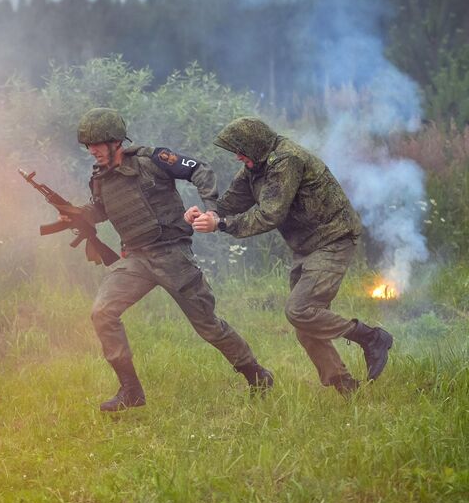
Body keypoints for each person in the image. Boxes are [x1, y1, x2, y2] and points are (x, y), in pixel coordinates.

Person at [72, 107, 273, 412]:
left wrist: (211, 210)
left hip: (172, 255)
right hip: (137, 259)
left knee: (208, 326)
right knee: (102, 312)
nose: (92, 151)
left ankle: (256, 375)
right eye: (88, 146)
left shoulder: (152, 159)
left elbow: (200, 170)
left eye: (97, 144)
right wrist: (78, 215)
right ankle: (131, 391)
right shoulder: (99, 179)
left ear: (115, 142)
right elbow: (101, 209)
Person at [191, 116, 393, 396]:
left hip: (333, 238)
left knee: (300, 311)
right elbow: (231, 202)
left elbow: (270, 214)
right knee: (306, 323)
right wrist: (207, 214)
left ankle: (371, 337)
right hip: (307, 246)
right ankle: (346, 387)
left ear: (254, 145)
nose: (237, 156)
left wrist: (222, 225)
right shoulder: (256, 164)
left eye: (240, 150)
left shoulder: (286, 160)